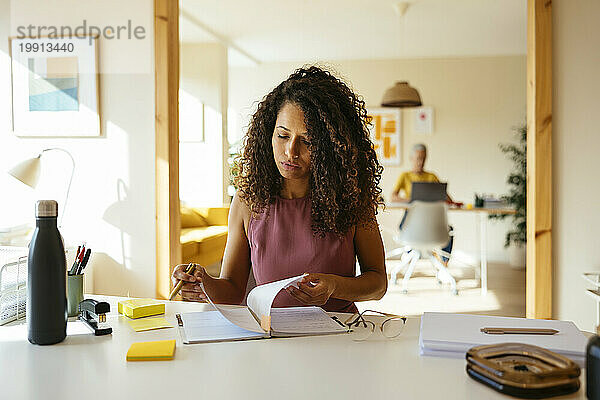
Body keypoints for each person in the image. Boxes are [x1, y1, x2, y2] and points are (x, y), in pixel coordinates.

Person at [172, 66, 387, 313]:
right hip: (270, 337)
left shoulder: (350, 197)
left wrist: (334, 287)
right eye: (283, 136)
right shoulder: (248, 200)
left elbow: (378, 283)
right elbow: (232, 290)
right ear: (268, 133)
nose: (291, 152)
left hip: (338, 335)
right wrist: (202, 284)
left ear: (330, 147)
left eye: (307, 142)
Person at [390, 143, 455, 264]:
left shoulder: (432, 176)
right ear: (411, 158)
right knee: (404, 226)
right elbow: (393, 197)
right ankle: (409, 252)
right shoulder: (405, 176)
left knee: (449, 230)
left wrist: (441, 196)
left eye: (424, 158)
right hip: (410, 224)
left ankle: (444, 264)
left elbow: (448, 199)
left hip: (433, 224)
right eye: (418, 158)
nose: (421, 162)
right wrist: (412, 200)